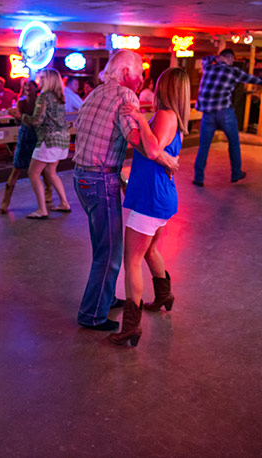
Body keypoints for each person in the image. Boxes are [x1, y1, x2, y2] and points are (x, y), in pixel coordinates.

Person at [73, 50, 179, 331]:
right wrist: (167, 158)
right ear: (126, 74)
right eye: (139, 73)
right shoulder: (125, 96)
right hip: (100, 180)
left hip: (82, 178)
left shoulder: (94, 93)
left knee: (102, 247)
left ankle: (104, 299)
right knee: (110, 253)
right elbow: (139, 141)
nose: (142, 79)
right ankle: (92, 314)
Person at [110, 67, 190, 346]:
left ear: (164, 88)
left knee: (131, 260)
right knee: (150, 250)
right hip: (160, 196)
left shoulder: (166, 116)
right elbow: (155, 156)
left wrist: (141, 120)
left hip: (151, 200)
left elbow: (154, 150)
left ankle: (131, 326)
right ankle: (164, 294)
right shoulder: (172, 117)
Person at [193, 49, 262, 187]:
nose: (232, 62)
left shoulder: (209, 67)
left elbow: (205, 58)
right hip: (224, 112)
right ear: (229, 58)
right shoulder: (232, 71)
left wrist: (218, 57)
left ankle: (198, 178)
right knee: (233, 142)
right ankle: (236, 173)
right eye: (232, 60)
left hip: (207, 113)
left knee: (204, 146)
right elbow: (254, 79)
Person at [11, 68, 71, 219]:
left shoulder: (44, 97)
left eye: (43, 78)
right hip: (62, 139)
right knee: (51, 172)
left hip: (48, 139)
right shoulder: (59, 97)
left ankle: (42, 209)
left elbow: (36, 121)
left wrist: (19, 116)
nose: (40, 81)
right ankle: (64, 203)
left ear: (49, 80)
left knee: (33, 172)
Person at [0, 79, 39, 213]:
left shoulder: (40, 103)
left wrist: (19, 115)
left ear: (36, 89)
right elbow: (18, 121)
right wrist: (15, 115)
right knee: (16, 168)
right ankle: (5, 201)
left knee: (42, 170)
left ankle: (48, 194)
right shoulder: (20, 102)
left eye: (31, 86)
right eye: (25, 86)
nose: (28, 88)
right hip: (24, 136)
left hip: (37, 136)